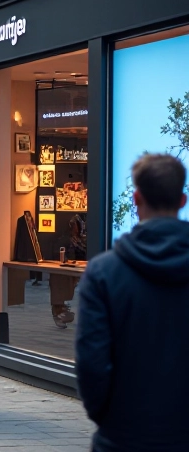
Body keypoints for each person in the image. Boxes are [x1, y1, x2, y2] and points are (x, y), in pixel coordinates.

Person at [76, 153, 189, 451]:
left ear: (137, 198)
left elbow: (91, 363)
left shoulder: (103, 273)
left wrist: (109, 418)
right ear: (182, 200)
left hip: (123, 436)